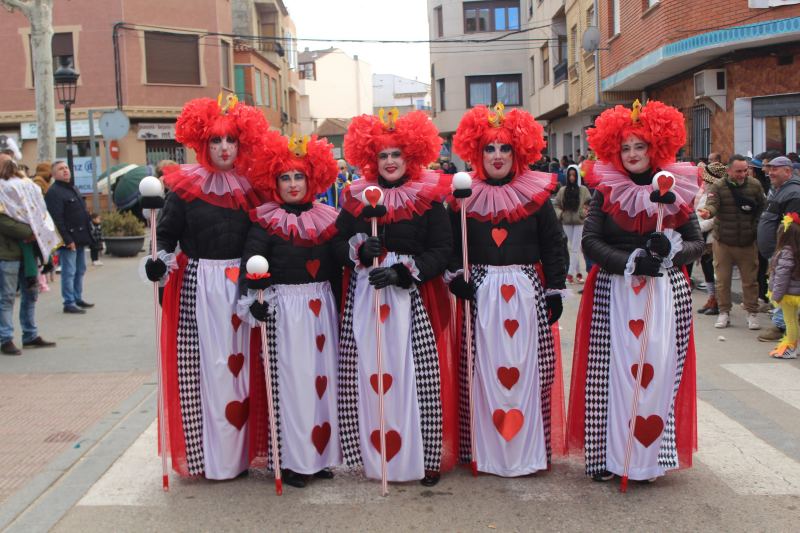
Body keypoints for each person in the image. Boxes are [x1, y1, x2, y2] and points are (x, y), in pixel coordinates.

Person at [567, 99, 703, 484]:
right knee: (609, 374)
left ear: (655, 148)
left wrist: (668, 253)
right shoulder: (605, 189)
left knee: (658, 374)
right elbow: (590, 243)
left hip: (662, 296)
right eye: (625, 147)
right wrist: (629, 260)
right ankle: (608, 456)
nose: (631, 154)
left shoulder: (675, 188)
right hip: (614, 291)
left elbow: (696, 243)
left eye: (639, 146)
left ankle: (649, 459)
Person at [143, 95, 269, 480]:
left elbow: (264, 236)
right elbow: (165, 236)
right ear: (203, 144)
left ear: (241, 143)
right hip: (199, 285)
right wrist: (157, 260)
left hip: (242, 284)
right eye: (216, 141)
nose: (224, 148)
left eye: (231, 140)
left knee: (244, 367)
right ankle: (210, 458)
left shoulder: (254, 186)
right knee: (206, 370)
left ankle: (242, 455)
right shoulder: (184, 189)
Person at [333, 109, 456, 487]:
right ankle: (374, 459)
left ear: (411, 156)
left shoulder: (429, 199)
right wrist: (359, 252)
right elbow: (335, 246)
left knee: (417, 377)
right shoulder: (355, 199)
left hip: (412, 298)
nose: (389, 162)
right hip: (366, 299)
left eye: (396, 154)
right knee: (370, 373)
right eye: (383, 155)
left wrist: (406, 272)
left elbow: (443, 249)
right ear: (372, 159)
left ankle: (423, 458)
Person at [448, 102, 567, 477]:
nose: (497, 156)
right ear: (476, 153)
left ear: (518, 152)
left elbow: (554, 244)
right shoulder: (462, 199)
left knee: (526, 370)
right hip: (480, 294)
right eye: (489, 148)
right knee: (482, 372)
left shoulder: (536, 198)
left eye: (505, 148)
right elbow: (452, 245)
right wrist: (456, 277)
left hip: (525, 292)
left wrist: (555, 288)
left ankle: (527, 452)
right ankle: (486, 451)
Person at [238, 133, 343, 488]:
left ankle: (322, 456)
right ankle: (295, 461)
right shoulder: (265, 221)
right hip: (286, 309)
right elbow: (251, 267)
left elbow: (340, 263)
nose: (293, 184)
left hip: (322, 307)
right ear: (274, 182)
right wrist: (254, 299)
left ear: (312, 179)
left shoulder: (329, 219)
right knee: (293, 384)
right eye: (285, 177)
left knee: (322, 381)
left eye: (299, 176)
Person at [698, 155, 765, 329]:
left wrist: (755, 228)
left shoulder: (755, 185)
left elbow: (763, 207)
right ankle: (723, 312)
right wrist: (707, 211)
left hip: (747, 241)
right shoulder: (718, 186)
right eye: (738, 171)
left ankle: (752, 312)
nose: (742, 174)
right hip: (723, 242)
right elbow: (713, 204)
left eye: (745, 170)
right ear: (728, 171)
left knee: (750, 280)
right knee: (722, 280)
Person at [0, 160, 58, 355]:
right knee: (7, 297)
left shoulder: (22, 185)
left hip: (29, 252)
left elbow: (35, 209)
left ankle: (30, 334)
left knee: (31, 294)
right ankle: (5, 338)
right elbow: (4, 222)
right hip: (7, 253)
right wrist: (31, 231)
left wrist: (38, 228)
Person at [756, 156, 800, 342]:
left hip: (785, 253)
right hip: (777, 252)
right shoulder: (779, 189)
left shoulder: (794, 193)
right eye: (769, 168)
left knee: (786, 289)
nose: (769, 172)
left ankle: (781, 326)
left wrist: (783, 252)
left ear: (788, 171)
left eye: (775, 169)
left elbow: (792, 229)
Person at [44, 160, 95, 314]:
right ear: (54, 174)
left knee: (80, 269)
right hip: (69, 239)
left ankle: (77, 297)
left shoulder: (72, 188)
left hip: (80, 237)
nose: (65, 170)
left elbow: (82, 213)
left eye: (66, 168)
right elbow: (56, 219)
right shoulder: (54, 192)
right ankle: (69, 302)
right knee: (69, 271)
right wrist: (67, 240)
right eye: (61, 169)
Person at [766, 213, 800, 359]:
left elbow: (782, 277)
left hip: (788, 293)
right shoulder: (795, 250)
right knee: (794, 320)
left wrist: (777, 296)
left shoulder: (786, 251)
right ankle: (794, 344)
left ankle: (791, 347)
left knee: (790, 320)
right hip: (794, 291)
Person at [695, 162, 726, 315]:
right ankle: (711, 297)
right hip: (702, 236)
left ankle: (718, 302)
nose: (704, 182)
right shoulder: (706, 192)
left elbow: (715, 217)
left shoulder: (719, 193)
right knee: (707, 269)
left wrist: (699, 228)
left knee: (715, 270)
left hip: (712, 237)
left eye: (707, 180)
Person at [554, 164, 591, 283]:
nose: (571, 178)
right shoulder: (562, 190)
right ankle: (579, 273)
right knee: (573, 247)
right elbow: (556, 205)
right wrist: (561, 214)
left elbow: (589, 203)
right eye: (570, 175)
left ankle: (569, 274)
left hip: (579, 221)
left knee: (574, 248)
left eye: (574, 175)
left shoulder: (583, 190)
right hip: (566, 222)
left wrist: (584, 212)